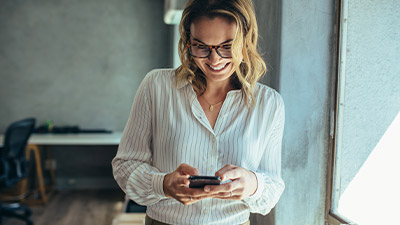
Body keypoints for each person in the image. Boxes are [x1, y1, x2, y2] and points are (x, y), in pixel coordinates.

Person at [112, 0, 285, 224]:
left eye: (227, 46)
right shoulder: (156, 86)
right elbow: (125, 166)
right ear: (187, 42)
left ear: (246, 42)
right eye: (201, 46)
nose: (214, 60)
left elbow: (272, 188)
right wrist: (164, 184)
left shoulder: (269, 104)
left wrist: (252, 184)